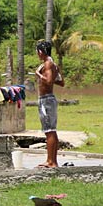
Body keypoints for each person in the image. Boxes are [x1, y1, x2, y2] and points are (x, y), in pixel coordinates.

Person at [35, 40, 65, 168]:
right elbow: (61, 82)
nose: (37, 54)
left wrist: (38, 74)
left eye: (37, 52)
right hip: (48, 99)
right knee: (51, 130)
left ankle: (50, 161)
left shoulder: (47, 64)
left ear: (40, 52)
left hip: (46, 100)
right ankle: (53, 161)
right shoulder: (53, 64)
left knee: (49, 131)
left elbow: (48, 81)